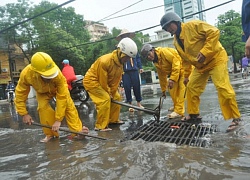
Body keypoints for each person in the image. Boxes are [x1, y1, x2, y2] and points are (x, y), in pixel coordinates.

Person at [160, 12, 241, 132]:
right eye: (166, 28)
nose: (168, 29)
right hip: (200, 66)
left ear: (176, 21)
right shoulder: (176, 42)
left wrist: (205, 51)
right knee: (191, 87)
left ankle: (236, 118)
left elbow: (214, 32)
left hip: (215, 59)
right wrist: (187, 75)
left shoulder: (193, 25)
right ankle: (193, 115)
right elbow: (185, 60)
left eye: (169, 26)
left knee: (222, 87)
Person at [14, 52, 89, 142]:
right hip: (42, 92)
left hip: (57, 89)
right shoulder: (26, 74)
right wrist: (24, 114)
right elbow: (20, 94)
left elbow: (62, 98)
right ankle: (50, 134)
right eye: (46, 76)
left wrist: (58, 119)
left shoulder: (58, 74)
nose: (49, 78)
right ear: (36, 72)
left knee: (69, 106)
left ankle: (77, 132)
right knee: (42, 108)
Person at [83, 37, 138, 131]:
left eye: (129, 58)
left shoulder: (120, 63)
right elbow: (102, 81)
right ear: (120, 52)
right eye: (127, 57)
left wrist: (112, 93)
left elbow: (115, 82)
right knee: (105, 99)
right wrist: (109, 93)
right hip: (92, 81)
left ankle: (113, 120)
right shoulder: (105, 61)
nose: (128, 59)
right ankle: (100, 126)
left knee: (117, 97)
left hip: (103, 82)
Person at [141, 44, 186, 119]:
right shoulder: (156, 61)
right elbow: (161, 76)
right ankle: (176, 106)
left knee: (182, 90)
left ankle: (179, 111)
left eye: (149, 54)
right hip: (175, 73)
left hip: (183, 69)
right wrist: (164, 90)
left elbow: (176, 62)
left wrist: (172, 79)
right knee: (172, 90)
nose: (149, 57)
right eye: (146, 57)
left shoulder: (163, 52)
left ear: (152, 50)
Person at [116, 29, 144, 111]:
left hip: (134, 69)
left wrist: (140, 67)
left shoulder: (133, 46)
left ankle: (139, 103)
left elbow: (137, 57)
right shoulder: (119, 47)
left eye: (126, 35)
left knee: (136, 86)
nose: (125, 37)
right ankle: (130, 105)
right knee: (127, 87)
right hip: (124, 71)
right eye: (123, 36)